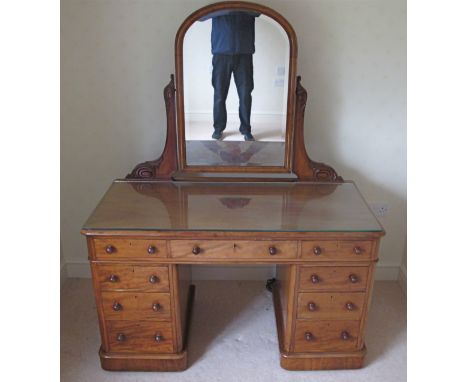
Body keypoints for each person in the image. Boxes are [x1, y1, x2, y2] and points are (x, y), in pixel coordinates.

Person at [199, 10, 260, 141]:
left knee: (245, 94)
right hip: (221, 53)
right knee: (219, 95)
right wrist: (226, 8)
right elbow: (201, 17)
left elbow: (258, 11)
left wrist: (238, 7)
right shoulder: (217, 4)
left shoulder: (245, 3)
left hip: (244, 53)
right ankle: (218, 128)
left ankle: (246, 129)